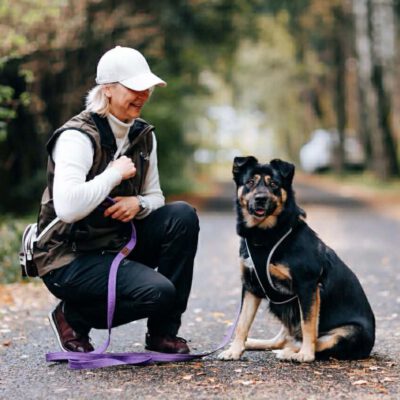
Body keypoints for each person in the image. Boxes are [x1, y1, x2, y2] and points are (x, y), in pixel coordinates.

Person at [33, 46, 199, 354]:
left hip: (115, 244)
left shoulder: (144, 135)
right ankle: (72, 316)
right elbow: (67, 208)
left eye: (147, 88)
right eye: (134, 87)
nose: (143, 95)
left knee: (182, 215)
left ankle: (163, 334)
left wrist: (140, 204)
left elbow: (156, 196)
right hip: (68, 257)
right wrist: (112, 175)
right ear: (107, 89)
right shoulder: (76, 137)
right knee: (159, 293)